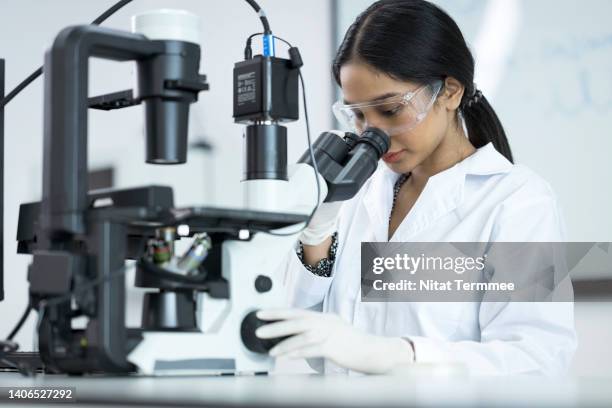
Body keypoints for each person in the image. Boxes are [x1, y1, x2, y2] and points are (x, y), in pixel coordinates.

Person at [255, 0, 576, 375]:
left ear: (450, 92)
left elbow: (538, 358)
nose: (372, 134)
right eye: (357, 114)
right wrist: (317, 235)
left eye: (390, 110)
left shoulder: (516, 202)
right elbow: (305, 339)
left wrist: (402, 355)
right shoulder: (358, 192)